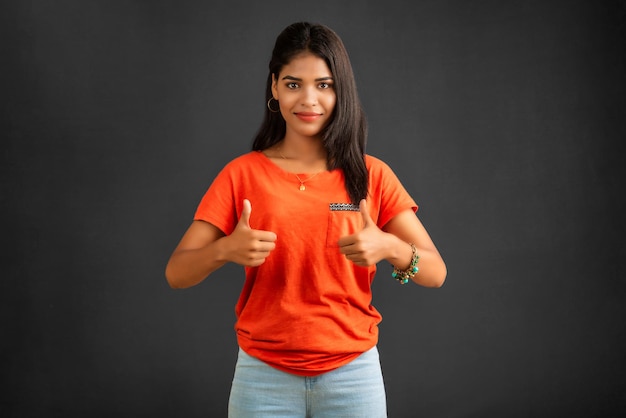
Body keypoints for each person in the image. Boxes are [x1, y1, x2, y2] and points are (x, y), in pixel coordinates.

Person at [165, 21, 446, 418]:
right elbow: (177, 273)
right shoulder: (241, 174)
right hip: (262, 377)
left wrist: (390, 247)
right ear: (275, 87)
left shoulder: (371, 175)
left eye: (325, 85)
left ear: (340, 91)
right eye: (294, 84)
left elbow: (436, 272)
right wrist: (225, 249)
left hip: (353, 376)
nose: (308, 99)